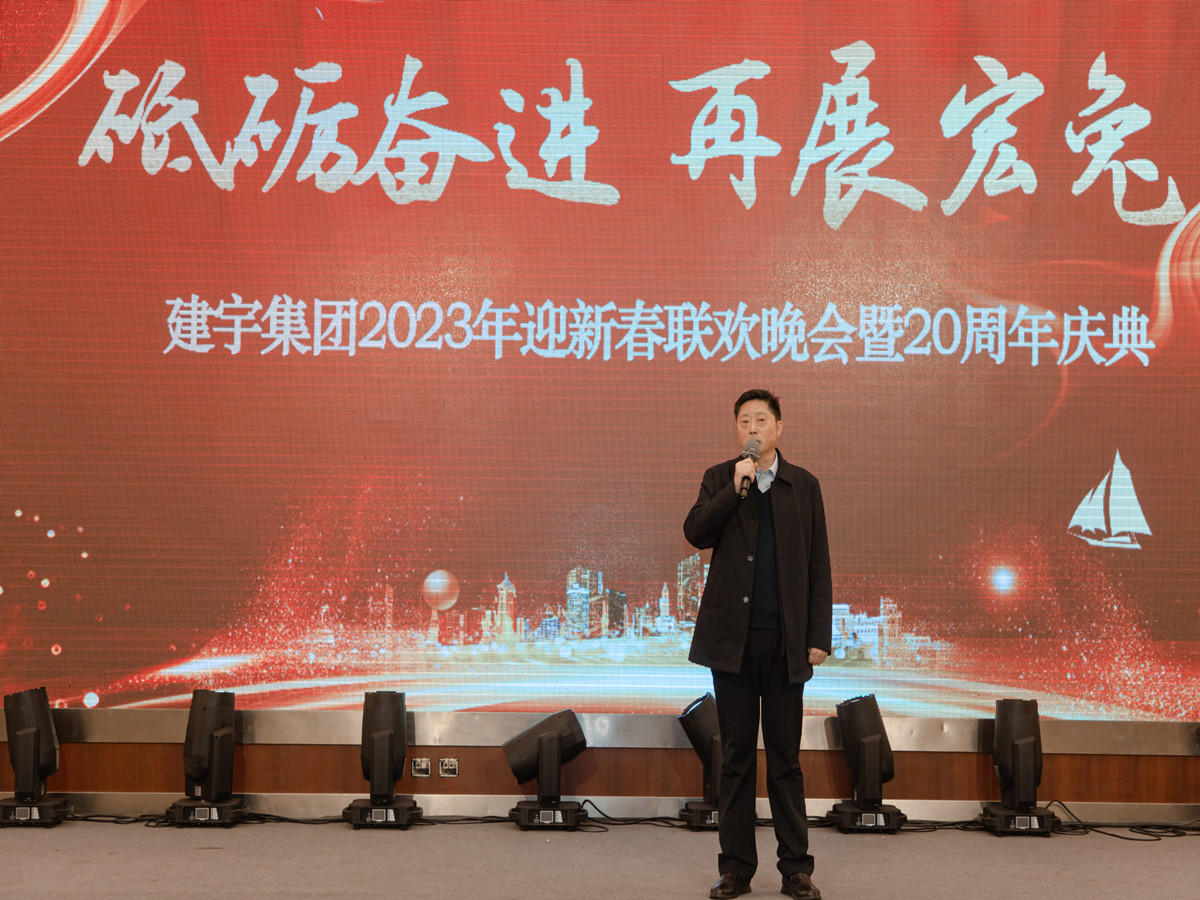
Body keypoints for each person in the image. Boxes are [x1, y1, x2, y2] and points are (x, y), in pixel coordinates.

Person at [683, 389, 833, 900]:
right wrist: (734, 488)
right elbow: (696, 532)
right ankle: (736, 870)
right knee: (736, 758)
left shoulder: (804, 485)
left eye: (761, 419)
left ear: (779, 427)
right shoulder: (720, 478)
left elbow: (818, 564)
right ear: (737, 430)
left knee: (786, 759)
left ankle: (796, 869)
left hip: (787, 644)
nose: (753, 427)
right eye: (744, 420)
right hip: (734, 645)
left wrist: (818, 635)